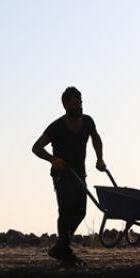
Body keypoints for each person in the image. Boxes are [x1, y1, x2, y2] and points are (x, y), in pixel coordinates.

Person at [32, 86, 106, 267]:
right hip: (62, 174)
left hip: (79, 173)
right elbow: (36, 148)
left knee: (80, 211)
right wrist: (53, 159)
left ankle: (61, 247)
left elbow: (96, 138)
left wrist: (99, 159)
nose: (79, 106)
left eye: (80, 102)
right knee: (65, 211)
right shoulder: (57, 126)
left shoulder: (87, 121)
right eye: (75, 103)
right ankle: (65, 253)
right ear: (66, 105)